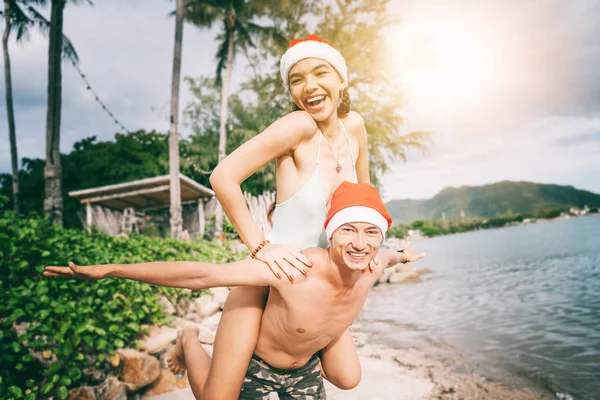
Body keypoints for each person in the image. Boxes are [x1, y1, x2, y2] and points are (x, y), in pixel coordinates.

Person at [44, 182, 425, 399]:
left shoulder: (374, 263)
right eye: (348, 230)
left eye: (371, 232)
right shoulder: (296, 269)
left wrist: (404, 256)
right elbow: (202, 276)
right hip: (257, 367)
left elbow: (389, 257)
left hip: (306, 365)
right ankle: (190, 339)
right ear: (331, 232)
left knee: (349, 378)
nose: (360, 243)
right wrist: (112, 270)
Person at [203, 34, 374, 398]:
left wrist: (367, 257)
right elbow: (222, 178)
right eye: (297, 80)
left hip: (318, 287)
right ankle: (188, 341)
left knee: (346, 377)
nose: (309, 86)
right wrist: (262, 247)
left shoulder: (355, 126)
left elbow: (367, 199)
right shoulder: (297, 127)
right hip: (270, 279)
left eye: (320, 73)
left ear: (341, 79)